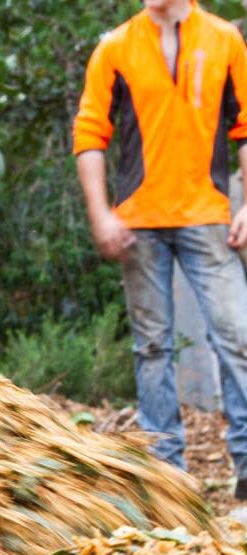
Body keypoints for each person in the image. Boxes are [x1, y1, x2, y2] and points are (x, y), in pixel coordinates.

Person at [75, 0, 247, 510]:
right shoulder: (115, 46)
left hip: (207, 213)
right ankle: (169, 483)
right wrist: (101, 213)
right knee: (152, 348)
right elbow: (89, 135)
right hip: (138, 220)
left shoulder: (224, 40)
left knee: (237, 335)